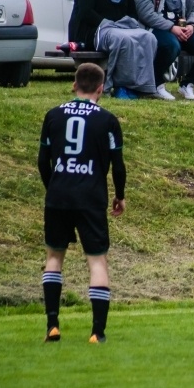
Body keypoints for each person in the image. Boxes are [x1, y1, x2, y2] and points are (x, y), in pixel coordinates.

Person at [37, 63, 126, 344]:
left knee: (54, 258)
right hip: (90, 197)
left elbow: (43, 161)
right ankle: (97, 332)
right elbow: (118, 164)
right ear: (101, 88)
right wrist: (119, 195)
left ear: (74, 85)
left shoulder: (53, 115)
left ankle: (53, 325)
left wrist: (53, 187)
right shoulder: (107, 120)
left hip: (58, 196)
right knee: (97, 262)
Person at [68, 0, 158, 99]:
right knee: (122, 39)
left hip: (121, 27)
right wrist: (109, 24)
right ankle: (120, 86)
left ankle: (146, 87)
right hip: (95, 30)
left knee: (148, 37)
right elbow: (85, 12)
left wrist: (127, 23)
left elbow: (132, 12)